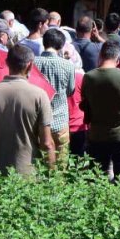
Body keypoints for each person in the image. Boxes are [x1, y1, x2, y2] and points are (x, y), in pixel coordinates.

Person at [0, 43, 55, 175]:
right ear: (30, 65)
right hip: (29, 174)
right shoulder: (39, 95)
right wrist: (52, 176)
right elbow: (47, 143)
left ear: (7, 63)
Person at [81, 41, 120, 178]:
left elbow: (85, 104)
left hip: (97, 136)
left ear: (100, 55)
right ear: (118, 58)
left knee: (96, 179)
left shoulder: (88, 77)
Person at [35, 28, 77, 157]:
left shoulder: (32, 63)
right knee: (61, 165)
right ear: (61, 45)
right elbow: (70, 91)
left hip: (38, 123)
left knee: (40, 164)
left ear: (44, 42)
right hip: (60, 122)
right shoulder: (68, 65)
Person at [68, 72, 87, 157]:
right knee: (79, 161)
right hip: (78, 124)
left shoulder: (54, 75)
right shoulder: (80, 77)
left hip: (60, 125)